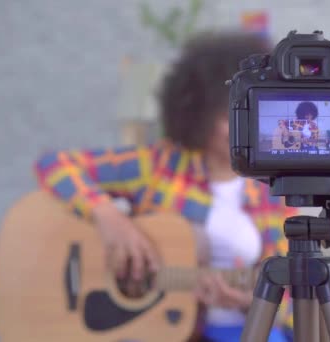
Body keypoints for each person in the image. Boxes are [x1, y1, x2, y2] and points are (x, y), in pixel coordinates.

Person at [33, 31, 296, 342]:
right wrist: (108, 218)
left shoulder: (275, 191)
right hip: (152, 329)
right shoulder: (160, 165)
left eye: (249, 116)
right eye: (226, 116)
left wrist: (250, 304)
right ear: (196, 113)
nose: (238, 130)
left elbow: (290, 301)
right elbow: (53, 165)